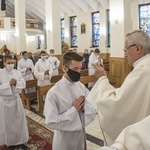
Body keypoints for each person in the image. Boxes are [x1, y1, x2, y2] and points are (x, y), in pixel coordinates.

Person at [87, 30, 150, 145]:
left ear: (138, 48)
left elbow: (116, 104)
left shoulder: (143, 71)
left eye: (126, 49)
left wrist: (102, 78)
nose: (124, 54)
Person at [44, 52, 95, 150]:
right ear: (65, 68)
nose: (79, 72)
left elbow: (92, 106)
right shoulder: (54, 92)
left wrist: (84, 108)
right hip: (64, 139)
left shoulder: (80, 86)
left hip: (80, 135)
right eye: (75, 69)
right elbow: (51, 121)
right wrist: (74, 109)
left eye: (80, 68)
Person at [0, 55, 28, 149]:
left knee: (19, 121)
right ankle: (11, 142)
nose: (11, 65)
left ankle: (21, 140)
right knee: (9, 123)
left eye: (12, 63)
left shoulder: (17, 72)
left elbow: (23, 83)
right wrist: (9, 84)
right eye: (9, 63)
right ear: (4, 63)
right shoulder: (0, 73)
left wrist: (16, 83)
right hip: (5, 102)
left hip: (16, 100)